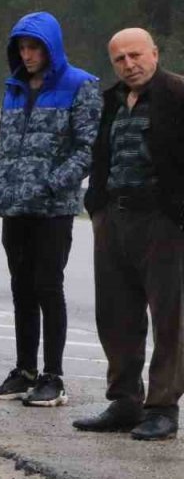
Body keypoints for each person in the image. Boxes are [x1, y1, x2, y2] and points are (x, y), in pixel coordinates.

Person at [0, 12, 100, 407]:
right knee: (21, 288)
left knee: (49, 287)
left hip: (52, 210)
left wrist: (52, 183)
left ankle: (53, 377)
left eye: (34, 47)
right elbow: (4, 144)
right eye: (22, 48)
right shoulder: (14, 88)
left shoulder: (80, 85)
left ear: (51, 48)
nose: (27, 55)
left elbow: (88, 148)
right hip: (15, 207)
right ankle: (25, 371)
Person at [74, 28, 184, 441]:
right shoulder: (110, 101)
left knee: (170, 319)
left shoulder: (177, 94)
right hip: (114, 218)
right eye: (119, 59)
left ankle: (162, 408)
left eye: (136, 55)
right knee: (115, 315)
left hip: (163, 220)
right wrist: (97, 206)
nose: (129, 64)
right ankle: (124, 401)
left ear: (154, 53)